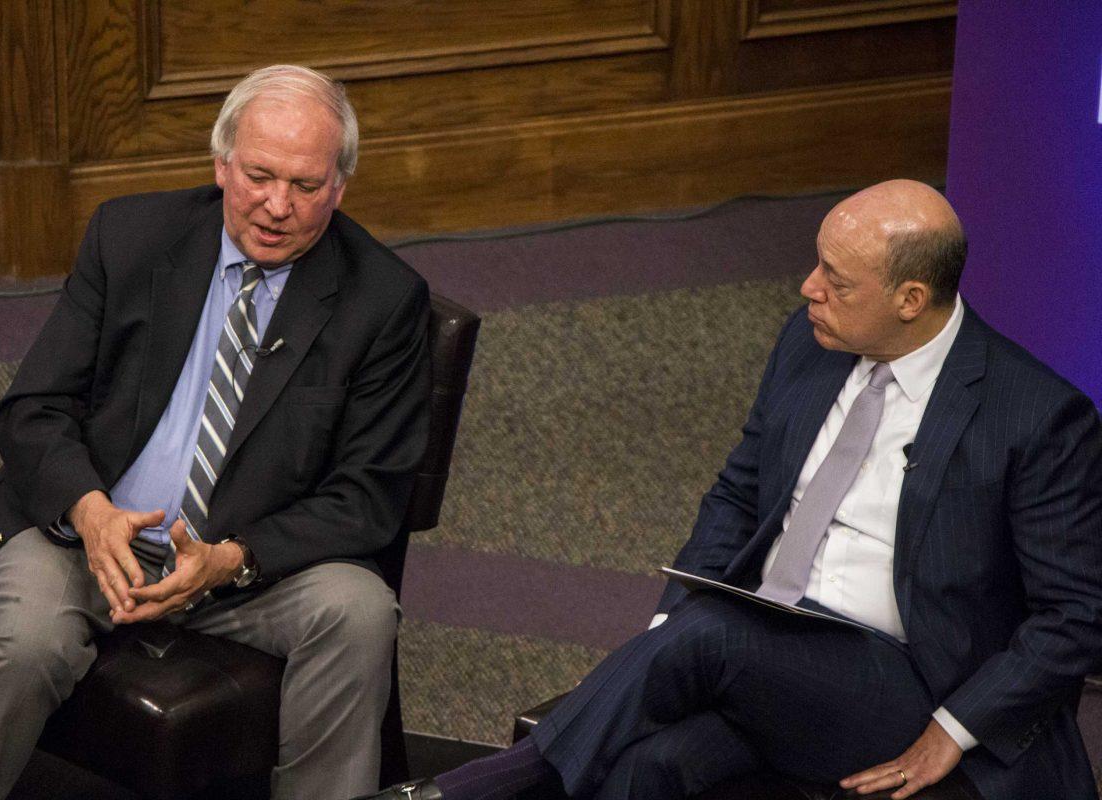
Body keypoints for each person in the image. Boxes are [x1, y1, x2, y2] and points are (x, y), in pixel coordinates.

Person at [361, 180, 1102, 800]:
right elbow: (739, 496)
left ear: (911, 298)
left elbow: (1075, 615)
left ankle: (471, 791)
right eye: (815, 265)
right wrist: (663, 646)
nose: (808, 288)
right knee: (649, 766)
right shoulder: (808, 346)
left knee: (713, 633)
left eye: (836, 281)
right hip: (769, 652)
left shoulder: (1033, 415)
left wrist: (954, 728)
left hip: (908, 681)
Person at [0, 64, 431, 800]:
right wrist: (90, 513)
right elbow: (34, 408)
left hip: (248, 571)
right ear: (220, 165)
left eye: (306, 186)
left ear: (340, 186)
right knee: (23, 644)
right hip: (86, 539)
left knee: (360, 610)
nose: (277, 205)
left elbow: (367, 498)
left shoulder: (384, 301)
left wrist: (230, 560)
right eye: (258, 176)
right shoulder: (131, 237)